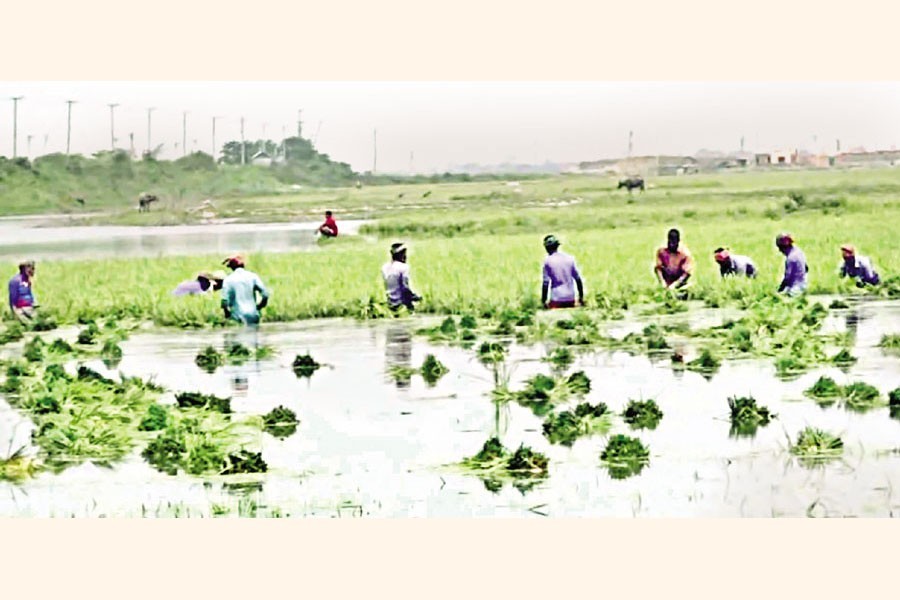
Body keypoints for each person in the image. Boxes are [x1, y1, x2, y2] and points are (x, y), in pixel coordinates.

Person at [220, 255, 270, 325]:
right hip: (254, 315)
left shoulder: (228, 280)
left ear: (231, 267)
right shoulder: (253, 276)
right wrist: (260, 306)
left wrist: (227, 315)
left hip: (238, 316)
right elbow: (265, 294)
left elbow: (224, 302)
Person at [541, 234, 584, 309]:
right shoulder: (570, 258)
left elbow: (545, 283)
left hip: (556, 298)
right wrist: (581, 297)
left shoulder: (547, 261)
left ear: (546, 248)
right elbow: (578, 279)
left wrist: (543, 301)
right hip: (570, 298)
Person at [381, 242, 421, 312]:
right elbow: (405, 287)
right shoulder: (404, 267)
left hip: (390, 302)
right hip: (402, 304)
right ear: (402, 254)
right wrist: (415, 297)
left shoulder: (385, 267)